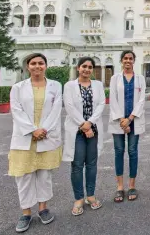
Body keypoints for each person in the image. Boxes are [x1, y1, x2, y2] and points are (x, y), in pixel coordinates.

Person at [8, 53, 63, 233]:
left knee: (44, 175)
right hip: (25, 137)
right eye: (33, 63)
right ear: (27, 66)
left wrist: (43, 130)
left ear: (46, 66)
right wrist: (33, 130)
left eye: (41, 63)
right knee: (24, 176)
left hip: (46, 136)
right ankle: (26, 213)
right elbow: (16, 111)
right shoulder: (17, 88)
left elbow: (56, 111)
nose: (37, 66)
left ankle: (43, 209)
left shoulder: (55, 86)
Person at [62, 57, 105, 216]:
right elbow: (69, 106)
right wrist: (83, 125)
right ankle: (79, 198)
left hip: (93, 130)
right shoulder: (69, 86)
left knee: (92, 164)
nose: (87, 69)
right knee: (77, 165)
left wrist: (90, 123)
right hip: (77, 131)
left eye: (89, 67)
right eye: (84, 66)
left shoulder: (98, 85)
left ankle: (91, 196)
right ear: (78, 68)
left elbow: (101, 105)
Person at [109, 51, 146, 202]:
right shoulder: (115, 78)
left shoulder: (140, 78)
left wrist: (130, 119)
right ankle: (119, 187)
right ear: (121, 61)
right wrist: (122, 120)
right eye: (125, 58)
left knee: (132, 151)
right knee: (119, 151)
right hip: (119, 121)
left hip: (133, 121)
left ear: (134, 61)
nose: (128, 61)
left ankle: (131, 185)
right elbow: (113, 99)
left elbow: (142, 100)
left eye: (131, 58)